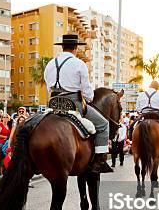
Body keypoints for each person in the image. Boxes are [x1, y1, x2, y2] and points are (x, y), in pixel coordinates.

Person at [44, 33, 112, 173]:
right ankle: (99, 161)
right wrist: (89, 98)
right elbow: (87, 91)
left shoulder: (50, 64)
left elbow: (48, 87)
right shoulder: (79, 64)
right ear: (75, 47)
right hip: (73, 103)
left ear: (62, 47)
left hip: (53, 103)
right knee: (104, 124)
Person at [135, 80, 159, 156]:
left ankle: (133, 144)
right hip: (156, 115)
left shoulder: (141, 94)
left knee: (132, 127)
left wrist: (141, 114)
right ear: (157, 87)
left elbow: (138, 109)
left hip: (144, 115)